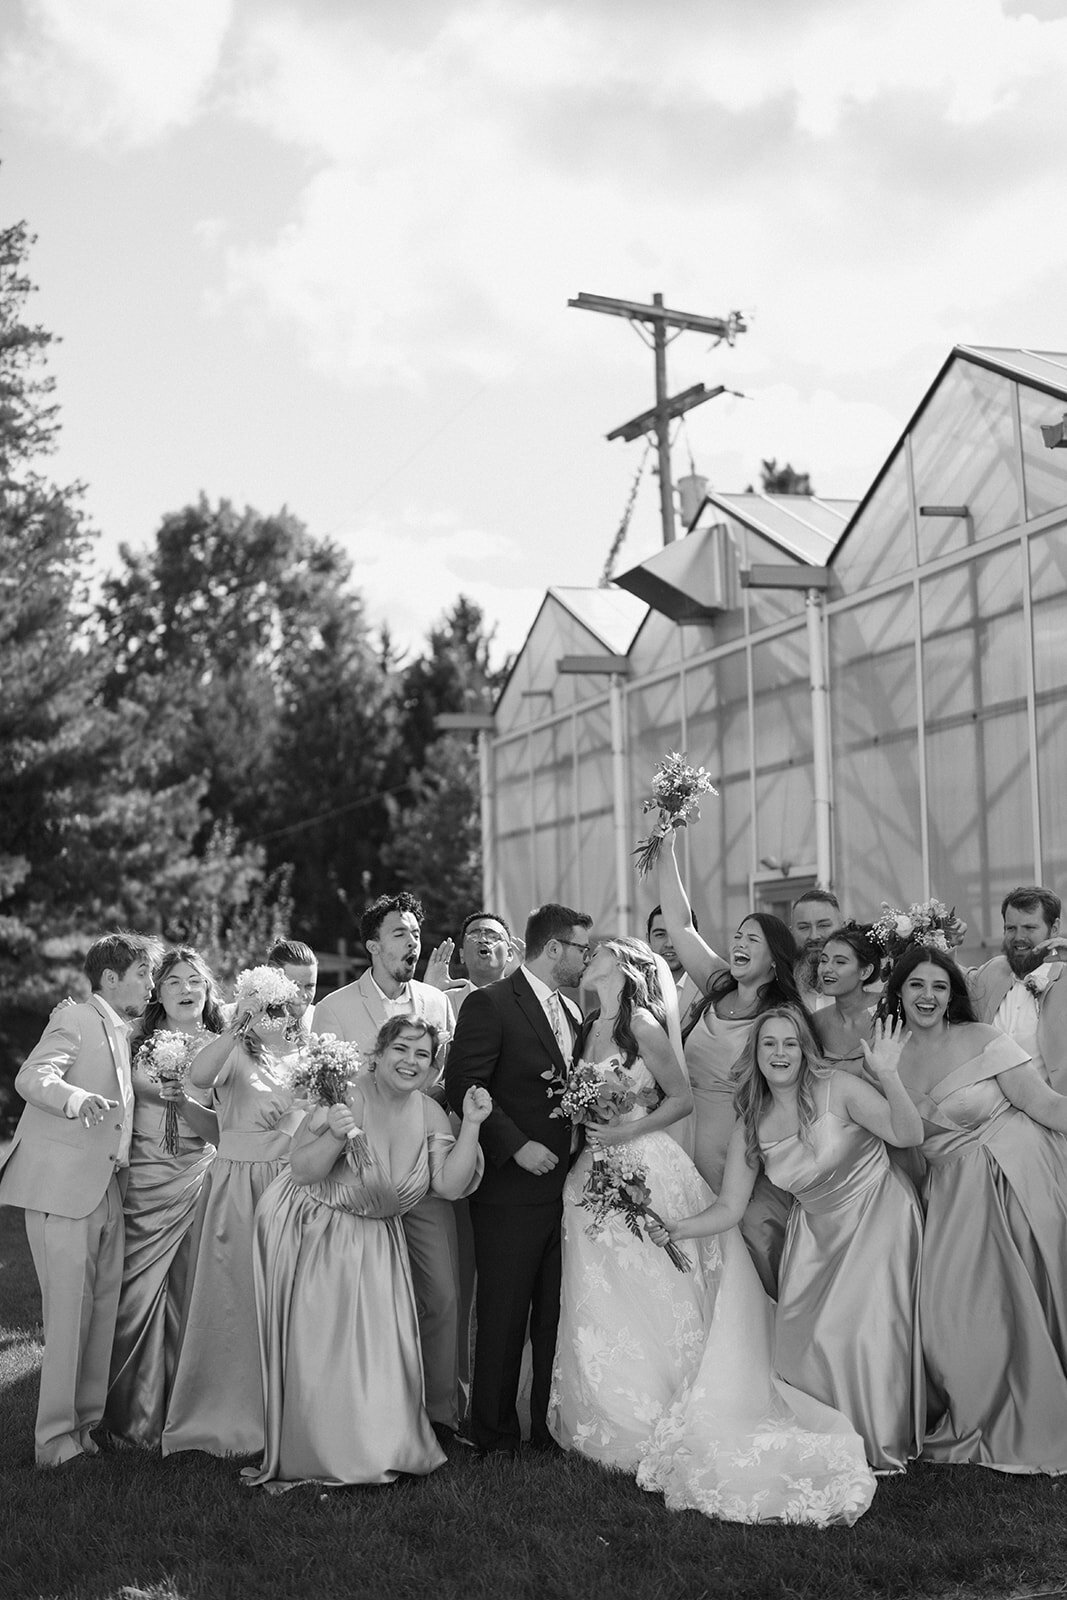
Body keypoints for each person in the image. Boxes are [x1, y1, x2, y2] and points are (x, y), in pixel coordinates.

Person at [657, 1007, 925, 1472]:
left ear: (804, 1051)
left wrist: (887, 1074)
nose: (780, 1053)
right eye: (769, 1044)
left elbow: (908, 1133)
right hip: (815, 1232)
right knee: (796, 1349)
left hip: (877, 1213)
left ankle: (875, 1441)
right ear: (756, 1053)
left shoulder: (838, 1089)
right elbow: (729, 1208)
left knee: (849, 1332)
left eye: (789, 1044)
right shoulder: (750, 1122)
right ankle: (831, 1435)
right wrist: (678, 1227)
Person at [245, 1018, 491, 1490]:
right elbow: (301, 1170)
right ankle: (324, 1450)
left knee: (381, 1352)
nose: (410, 1062)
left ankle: (382, 1446)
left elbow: (448, 1186)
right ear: (376, 1053)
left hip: (381, 1241)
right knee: (328, 1347)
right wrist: (335, 1134)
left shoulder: (430, 1113)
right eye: (401, 1049)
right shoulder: (347, 1093)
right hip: (321, 1232)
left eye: (422, 1055)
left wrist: (473, 1127)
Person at [879, 943, 1067, 1471]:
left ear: (953, 996)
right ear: (899, 990)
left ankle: (1039, 1405)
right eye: (917, 984)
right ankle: (984, 1407)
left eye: (940, 986)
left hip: (1018, 1173)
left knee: (1034, 1286)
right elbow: (898, 1145)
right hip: (952, 1193)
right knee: (947, 1315)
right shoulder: (884, 1056)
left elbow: (1045, 1105)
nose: (929, 995)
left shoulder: (982, 1038)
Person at [548, 936, 706, 1465]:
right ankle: (599, 1402)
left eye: (600, 950)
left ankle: (659, 1397)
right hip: (589, 1163)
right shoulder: (588, 1027)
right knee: (595, 1280)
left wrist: (622, 1132)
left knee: (646, 1276)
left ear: (627, 965)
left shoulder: (640, 1026)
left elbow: (681, 1099)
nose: (588, 954)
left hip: (640, 1158)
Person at [0, 932, 155, 1466]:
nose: (151, 984)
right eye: (142, 973)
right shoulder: (75, 1018)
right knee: (68, 1319)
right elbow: (32, 1076)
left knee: (100, 1314)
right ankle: (52, 1443)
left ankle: (84, 1429)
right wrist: (75, 1099)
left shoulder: (122, 1031)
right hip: (62, 1189)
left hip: (108, 1186)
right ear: (109, 978)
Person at [311, 892, 461, 1430]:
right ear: (373, 945)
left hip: (420, 1174)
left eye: (416, 932)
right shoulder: (333, 1009)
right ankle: (372, 1418)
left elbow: (440, 1084)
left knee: (442, 1296)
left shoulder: (437, 1003)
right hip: (354, 1183)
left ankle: (440, 1417)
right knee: (367, 1308)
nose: (413, 941)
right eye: (400, 933)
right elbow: (321, 1092)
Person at [445, 902, 590, 1456]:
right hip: (510, 1189)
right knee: (504, 1317)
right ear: (554, 949)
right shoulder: (491, 1004)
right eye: (581, 948)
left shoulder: (574, 1012)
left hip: (567, 1188)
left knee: (553, 1315)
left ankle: (545, 1430)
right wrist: (515, 1145)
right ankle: (494, 1435)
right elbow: (463, 1082)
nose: (586, 957)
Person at [655, 829, 809, 1295]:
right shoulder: (717, 984)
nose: (739, 943)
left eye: (753, 940)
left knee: (743, 1263)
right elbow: (680, 926)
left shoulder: (784, 1019)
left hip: (739, 1154)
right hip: (681, 1136)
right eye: (738, 935)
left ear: (775, 960)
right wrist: (666, 850)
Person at [161, 966, 305, 1457]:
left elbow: (309, 1112)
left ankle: (285, 1413)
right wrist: (236, 1027)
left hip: (289, 1182)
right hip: (237, 1183)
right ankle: (223, 1411)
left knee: (283, 1296)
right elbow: (198, 1079)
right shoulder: (235, 1051)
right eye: (261, 1004)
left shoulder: (302, 1055)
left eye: (279, 1004)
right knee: (234, 1295)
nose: (274, 1013)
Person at [102, 947, 224, 1447]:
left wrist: (188, 1101)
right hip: (142, 1179)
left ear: (208, 989)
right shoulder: (132, 1041)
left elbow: (225, 1130)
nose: (185, 990)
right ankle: (128, 1414)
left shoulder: (225, 1048)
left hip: (197, 1177)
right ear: (158, 991)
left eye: (194, 981)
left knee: (190, 1293)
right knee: (132, 1293)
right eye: (172, 981)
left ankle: (184, 1413)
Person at [967, 886, 1067, 1094]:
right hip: (988, 1117)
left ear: (1054, 928)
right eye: (1011, 928)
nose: (1018, 937)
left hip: (1054, 1118)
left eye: (1030, 928)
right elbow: (947, 986)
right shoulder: (992, 970)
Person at [424, 911, 523, 1019]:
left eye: (493, 936)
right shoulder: (445, 1001)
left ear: (509, 954)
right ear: (462, 955)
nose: (483, 940)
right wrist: (430, 993)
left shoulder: (527, 1000)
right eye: (474, 936)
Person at [812, 924, 881, 1072]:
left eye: (840, 962)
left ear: (865, 972)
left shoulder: (888, 1010)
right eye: (824, 960)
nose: (827, 969)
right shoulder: (815, 1023)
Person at [647, 904, 702, 1033]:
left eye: (676, 934)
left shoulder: (710, 988)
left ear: (695, 938)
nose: (669, 944)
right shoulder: (637, 989)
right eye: (660, 934)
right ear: (648, 938)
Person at [791, 889, 844, 1010]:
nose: (814, 936)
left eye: (823, 925)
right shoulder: (780, 990)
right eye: (804, 927)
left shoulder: (867, 986)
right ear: (791, 933)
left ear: (843, 928)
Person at [267, 939, 318, 1029]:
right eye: (295, 985)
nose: (304, 995)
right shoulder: (238, 1017)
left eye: (309, 986)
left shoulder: (320, 1019)